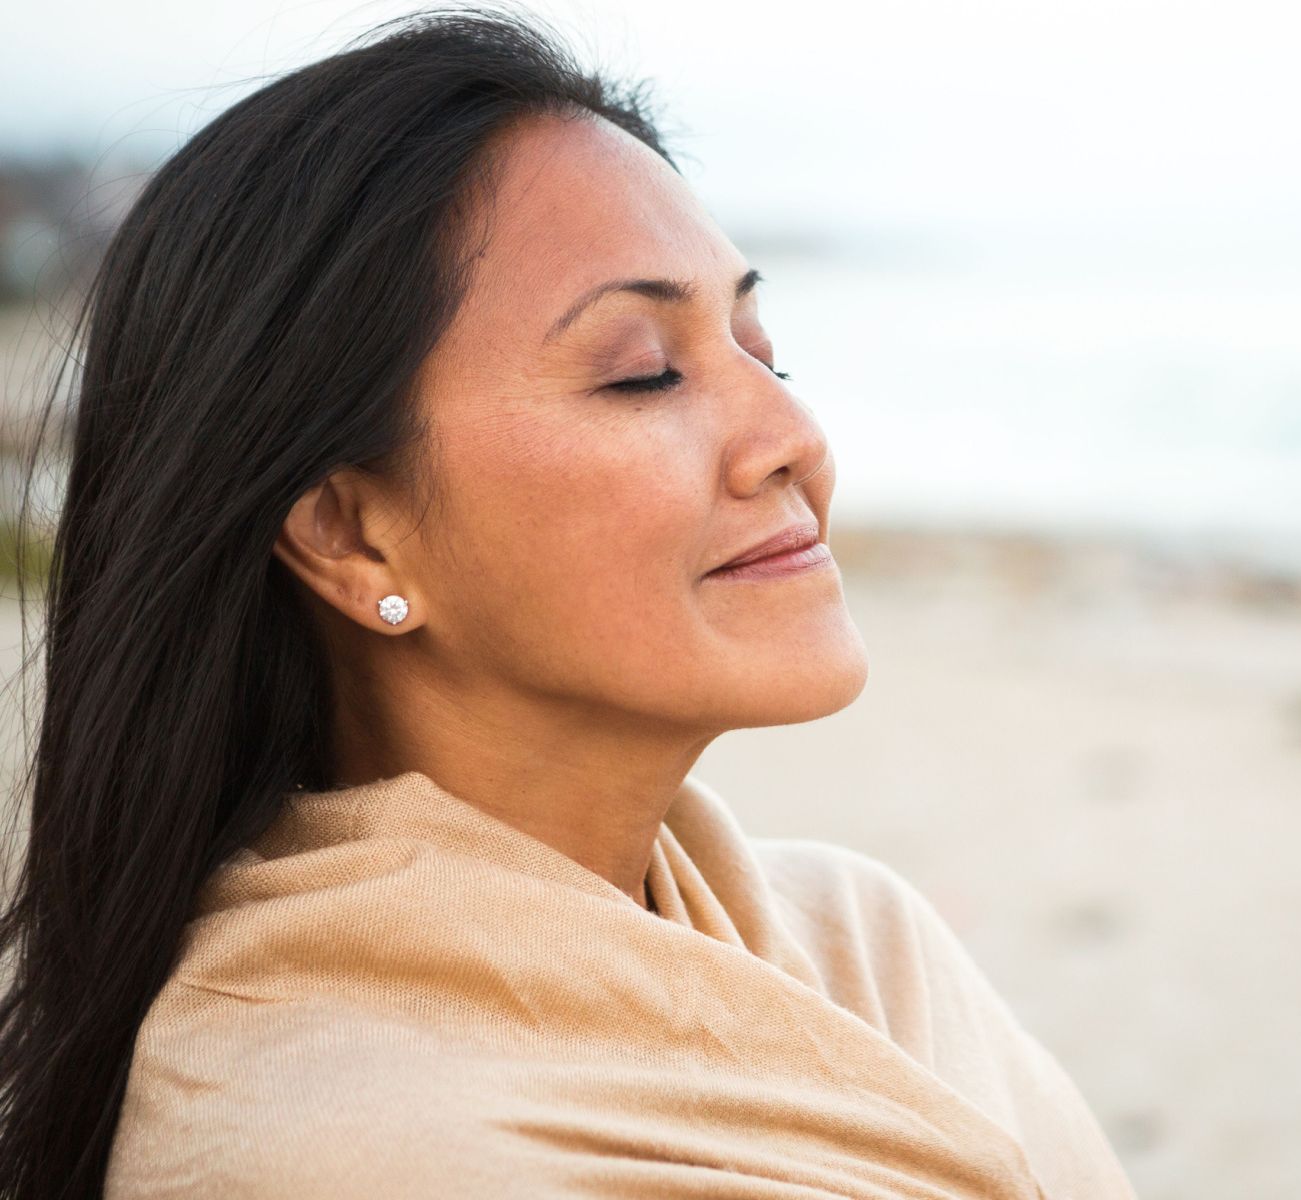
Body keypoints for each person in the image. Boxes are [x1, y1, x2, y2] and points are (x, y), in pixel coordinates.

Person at [0, 8, 1138, 1197]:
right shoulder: (343, 1151)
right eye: (644, 371)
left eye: (764, 351)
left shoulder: (863, 944)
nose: (792, 439)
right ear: (351, 533)